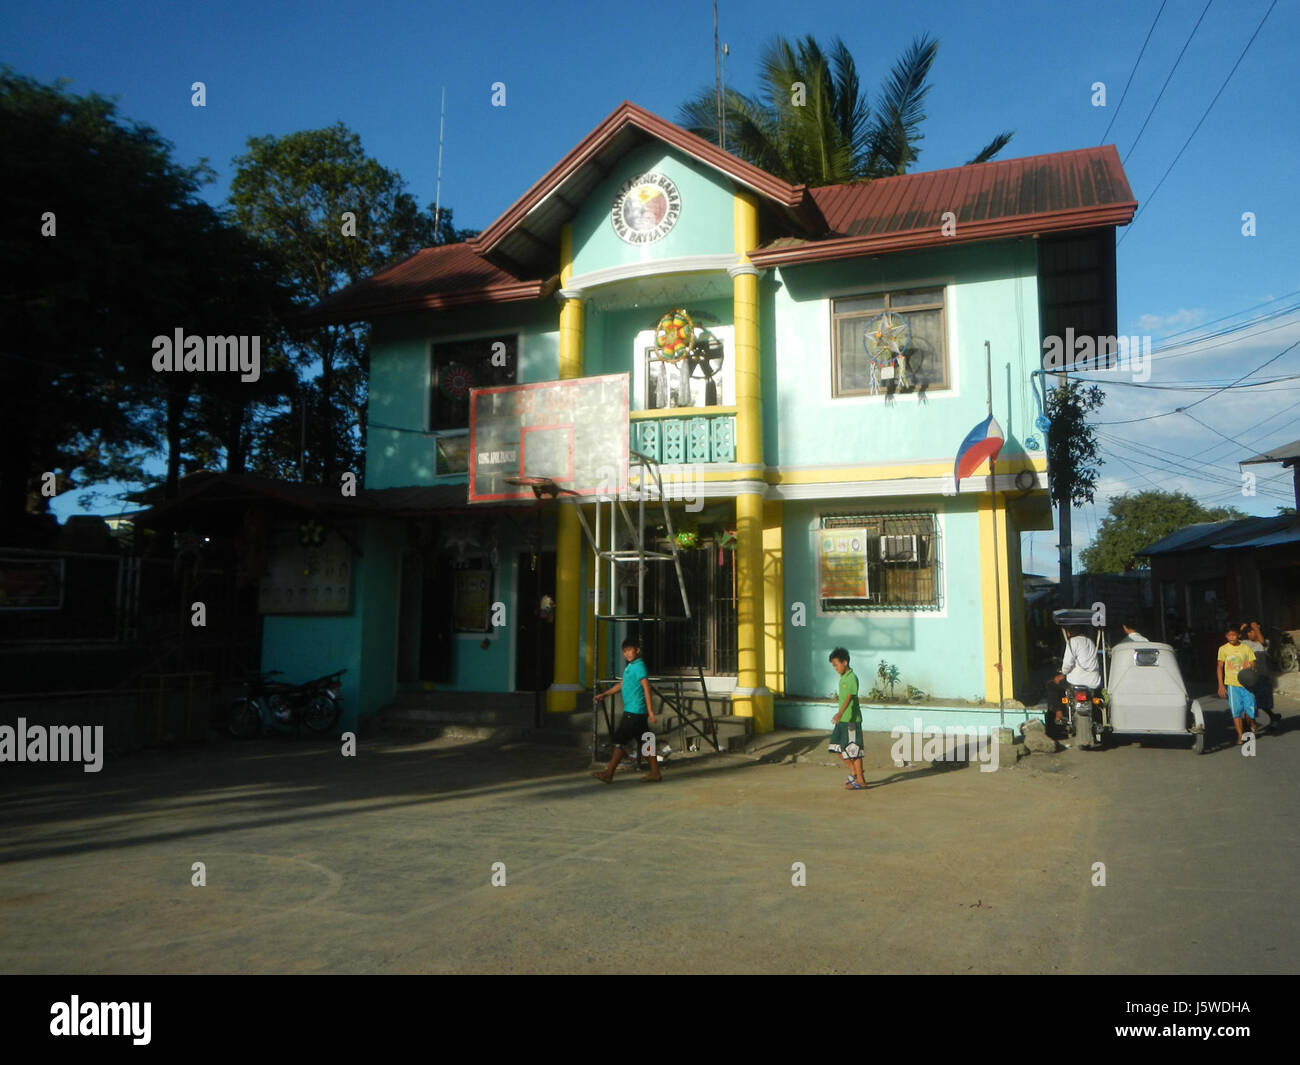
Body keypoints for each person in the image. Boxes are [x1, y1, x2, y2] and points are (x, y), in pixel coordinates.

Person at [591, 637, 660, 783]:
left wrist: (651, 711)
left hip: (634, 711)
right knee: (647, 740)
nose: (627, 654)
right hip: (635, 711)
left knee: (620, 741)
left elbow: (646, 687)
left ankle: (609, 773)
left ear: (637, 650)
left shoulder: (639, 667)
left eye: (630, 650)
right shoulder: (630, 667)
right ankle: (655, 773)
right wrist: (605, 694)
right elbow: (622, 684)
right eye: (625, 651)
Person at [1048, 626, 1102, 735]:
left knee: (1052, 685)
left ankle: (1059, 714)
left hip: (1076, 681)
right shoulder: (1090, 642)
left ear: (1069, 631)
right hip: (1093, 682)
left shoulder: (1072, 642)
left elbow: (1067, 666)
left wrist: (1062, 673)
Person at [828, 648, 868, 791]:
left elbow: (850, 697)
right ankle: (853, 771)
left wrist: (840, 713)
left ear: (845, 662)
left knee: (854, 750)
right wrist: (840, 716)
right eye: (833, 665)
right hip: (842, 721)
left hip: (851, 720)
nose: (835, 668)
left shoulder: (852, 677)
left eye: (836, 664)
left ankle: (861, 780)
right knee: (835, 746)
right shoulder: (843, 678)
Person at [1217, 625, 1257, 744]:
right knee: (1236, 711)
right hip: (1232, 685)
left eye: (1234, 635)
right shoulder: (1223, 649)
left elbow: (1253, 664)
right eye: (1229, 635)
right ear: (1226, 636)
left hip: (1247, 684)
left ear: (1239, 635)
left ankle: (1249, 723)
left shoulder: (1246, 648)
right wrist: (1221, 685)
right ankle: (1240, 735)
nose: (1231, 637)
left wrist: (1250, 666)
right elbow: (1219, 667)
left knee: (1251, 710)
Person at [1239, 620, 1277, 729]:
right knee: (1250, 700)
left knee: (1263, 701)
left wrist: (1256, 628)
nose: (1249, 634)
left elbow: (1262, 642)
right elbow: (1237, 640)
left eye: (1252, 632)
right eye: (1248, 632)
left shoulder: (1263, 643)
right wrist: (1242, 630)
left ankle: (1272, 717)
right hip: (1250, 677)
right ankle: (1249, 723)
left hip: (1262, 676)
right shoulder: (1246, 643)